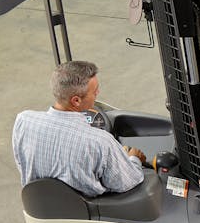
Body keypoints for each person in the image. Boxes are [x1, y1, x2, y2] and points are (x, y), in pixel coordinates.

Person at [12, 60, 147, 197]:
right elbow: (128, 182)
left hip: (39, 205)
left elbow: (22, 161)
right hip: (87, 211)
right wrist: (133, 159)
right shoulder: (101, 142)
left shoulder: (23, 120)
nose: (98, 93)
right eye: (94, 91)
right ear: (76, 101)